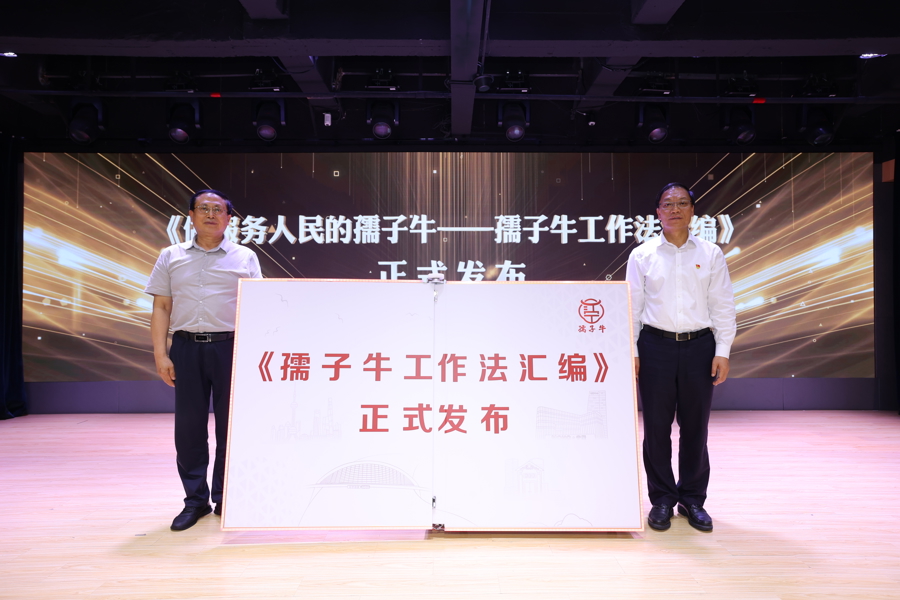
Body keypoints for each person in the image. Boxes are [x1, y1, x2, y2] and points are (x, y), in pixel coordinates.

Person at [145, 189, 262, 531]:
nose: (211, 214)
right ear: (191, 216)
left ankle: (225, 497)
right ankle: (195, 501)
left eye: (218, 210)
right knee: (189, 429)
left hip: (231, 348)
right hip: (186, 348)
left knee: (231, 427)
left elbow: (258, 306)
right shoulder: (171, 256)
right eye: (204, 208)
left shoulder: (245, 257)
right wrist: (161, 354)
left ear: (229, 218)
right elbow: (161, 307)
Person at [625, 182, 736, 533]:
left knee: (695, 428)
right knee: (656, 429)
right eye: (668, 204)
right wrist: (632, 351)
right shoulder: (642, 255)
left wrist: (722, 351)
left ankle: (692, 499)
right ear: (657, 212)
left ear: (693, 211)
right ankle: (661, 499)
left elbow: (722, 305)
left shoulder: (711, 253)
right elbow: (631, 308)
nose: (675, 209)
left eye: (682, 203)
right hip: (654, 347)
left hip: (699, 347)